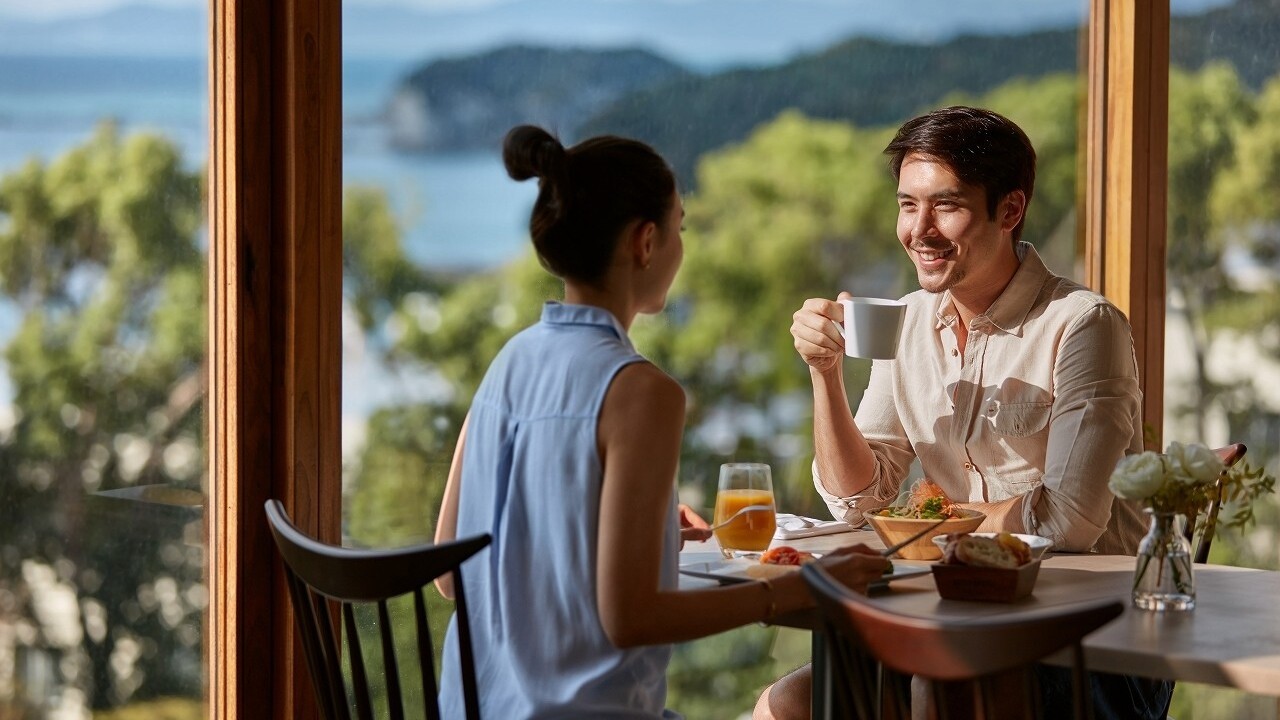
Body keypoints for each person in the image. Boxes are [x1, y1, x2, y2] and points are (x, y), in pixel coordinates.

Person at [433, 125, 889, 719]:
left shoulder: (509, 360)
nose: (680, 243)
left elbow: (451, 570)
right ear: (646, 243)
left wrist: (620, 533)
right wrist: (798, 588)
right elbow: (631, 619)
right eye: (680, 226)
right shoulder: (642, 391)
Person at [756, 107, 1167, 720]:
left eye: (945, 205)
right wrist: (825, 375)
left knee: (941, 687)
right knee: (788, 702)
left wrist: (931, 520)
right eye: (906, 205)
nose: (919, 229)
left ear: (1010, 210)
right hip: (952, 619)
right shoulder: (909, 320)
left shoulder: (1083, 324)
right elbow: (861, 499)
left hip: (1090, 645)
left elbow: (1069, 523)